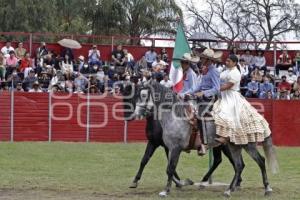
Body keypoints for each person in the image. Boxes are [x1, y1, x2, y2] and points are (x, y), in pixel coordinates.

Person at [213, 54, 271, 145]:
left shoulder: (235, 73)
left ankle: (225, 136)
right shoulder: (226, 71)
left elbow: (228, 86)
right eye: (226, 61)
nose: (226, 62)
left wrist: (214, 89)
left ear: (235, 63)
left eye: (229, 61)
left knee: (226, 112)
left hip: (231, 95)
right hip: (223, 95)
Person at [185, 49, 221, 155]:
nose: (201, 59)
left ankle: (204, 144)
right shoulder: (205, 69)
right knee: (187, 112)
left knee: (200, 115)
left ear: (208, 59)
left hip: (210, 99)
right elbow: (199, 86)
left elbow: (217, 88)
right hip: (201, 98)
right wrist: (188, 92)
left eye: (203, 58)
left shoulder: (214, 71)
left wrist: (203, 93)